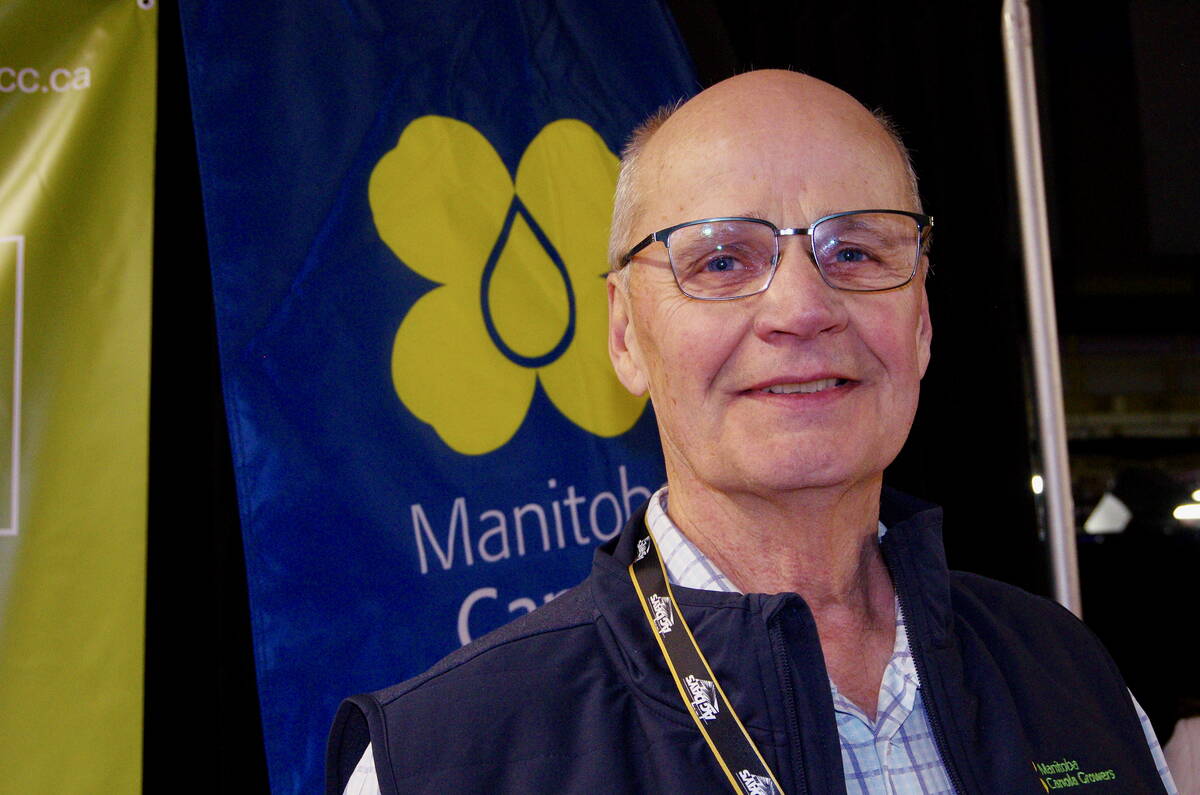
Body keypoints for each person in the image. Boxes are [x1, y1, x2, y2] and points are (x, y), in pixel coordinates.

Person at [327, 70, 1176, 794]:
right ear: (625, 334)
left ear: (921, 321)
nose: (803, 309)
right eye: (722, 261)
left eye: (855, 252)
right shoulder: (446, 760)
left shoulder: (1075, 678)